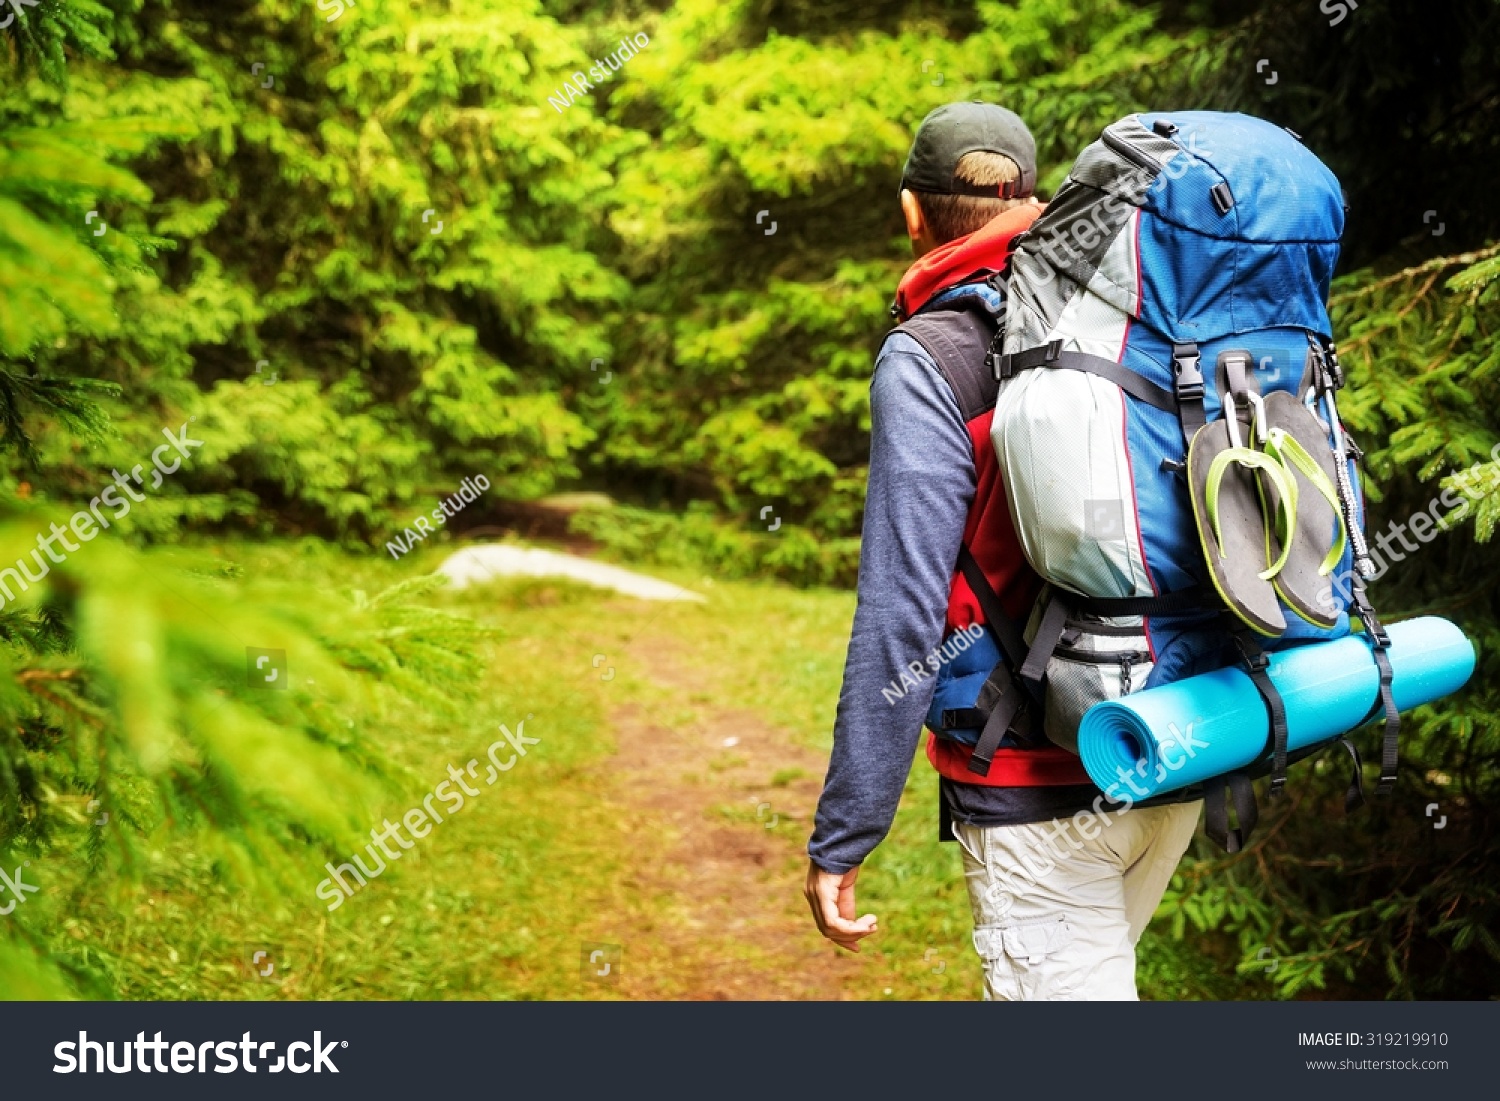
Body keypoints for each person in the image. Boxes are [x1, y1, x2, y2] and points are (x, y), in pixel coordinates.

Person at [803, 101, 1201, 1000]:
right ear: (1032, 199)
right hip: (1169, 738)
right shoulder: (1121, 320)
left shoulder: (930, 354)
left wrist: (846, 829)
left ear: (914, 213)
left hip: (1034, 780)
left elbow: (902, 607)